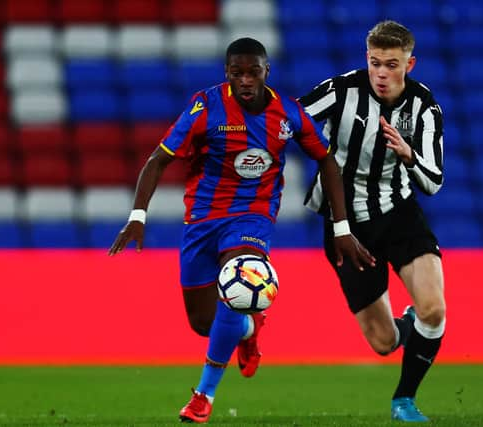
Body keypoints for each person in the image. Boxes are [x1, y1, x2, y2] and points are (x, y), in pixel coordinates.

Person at [108, 37, 374, 424]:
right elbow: (157, 160)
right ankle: (249, 326)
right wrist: (137, 216)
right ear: (227, 74)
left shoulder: (288, 114)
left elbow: (327, 161)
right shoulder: (206, 107)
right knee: (203, 324)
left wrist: (342, 227)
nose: (245, 80)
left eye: (253, 72)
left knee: (238, 278)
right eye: (237, 73)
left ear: (267, 72)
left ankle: (203, 395)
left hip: (253, 216)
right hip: (202, 219)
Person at [299, 21, 446, 422]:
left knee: (433, 309)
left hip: (399, 214)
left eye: (391, 65)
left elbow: (433, 181)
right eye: (375, 63)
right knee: (383, 343)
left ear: (409, 64)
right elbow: (288, 120)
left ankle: (404, 400)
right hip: (345, 223)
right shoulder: (341, 90)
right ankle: (405, 328)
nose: (381, 73)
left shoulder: (424, 107)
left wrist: (408, 155)